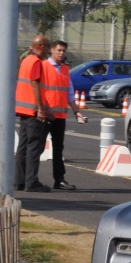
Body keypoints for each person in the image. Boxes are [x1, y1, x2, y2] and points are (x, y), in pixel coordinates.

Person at [22, 38, 85, 192]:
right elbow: (37, 89)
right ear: (51, 50)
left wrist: (76, 111)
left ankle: (59, 179)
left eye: (64, 51)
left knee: (58, 149)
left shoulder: (65, 69)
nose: (61, 53)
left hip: (60, 116)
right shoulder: (42, 66)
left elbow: (69, 92)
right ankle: (29, 179)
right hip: (45, 114)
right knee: (37, 147)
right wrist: (42, 109)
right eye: (59, 50)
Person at [15, 35, 51, 191]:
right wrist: (41, 109)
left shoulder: (26, 60)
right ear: (41, 46)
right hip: (32, 111)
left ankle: (19, 181)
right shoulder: (36, 62)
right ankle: (31, 182)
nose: (49, 50)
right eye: (48, 46)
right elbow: (35, 85)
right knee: (34, 147)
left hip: (22, 110)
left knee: (23, 146)